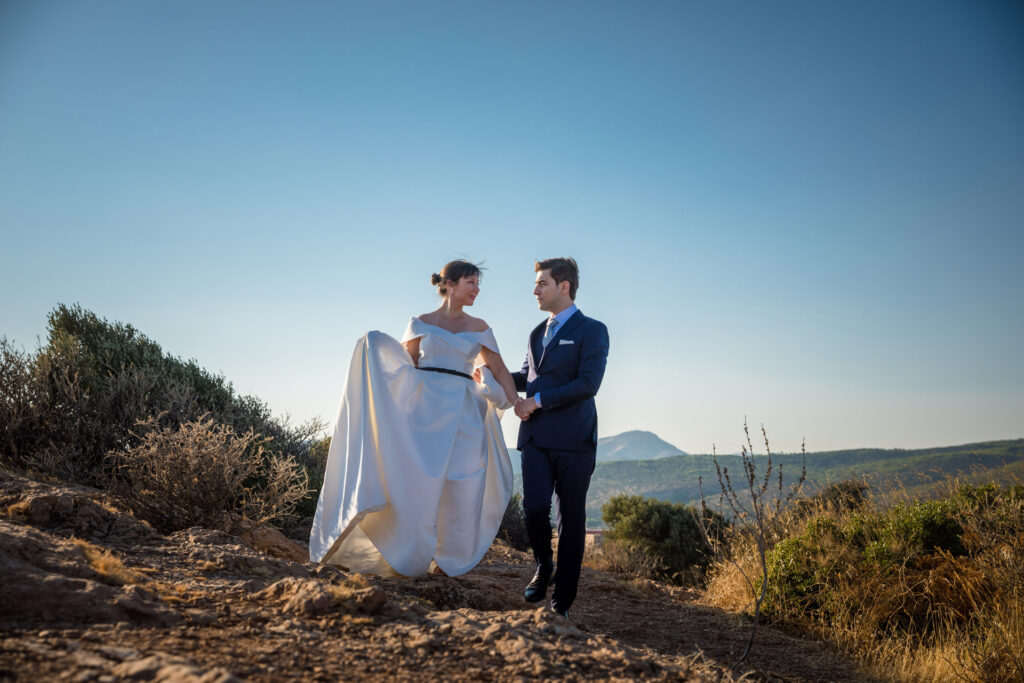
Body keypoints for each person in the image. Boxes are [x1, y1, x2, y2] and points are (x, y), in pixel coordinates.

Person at [308, 260, 521, 577]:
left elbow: (501, 370)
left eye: (478, 284)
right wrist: (374, 348)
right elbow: (404, 368)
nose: (477, 289)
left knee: (462, 482)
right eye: (471, 282)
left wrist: (518, 402)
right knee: (419, 483)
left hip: (465, 412)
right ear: (450, 285)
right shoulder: (420, 323)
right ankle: (410, 553)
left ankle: (448, 560)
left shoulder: (480, 327)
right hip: (425, 411)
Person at [511, 257, 610, 619]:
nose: (534, 290)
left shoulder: (593, 330)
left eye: (541, 283)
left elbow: (588, 384)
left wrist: (535, 401)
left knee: (571, 522)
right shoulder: (537, 332)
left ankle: (562, 605)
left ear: (564, 286)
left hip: (575, 440)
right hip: (536, 437)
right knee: (534, 508)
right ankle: (543, 564)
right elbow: (527, 377)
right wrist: (489, 376)